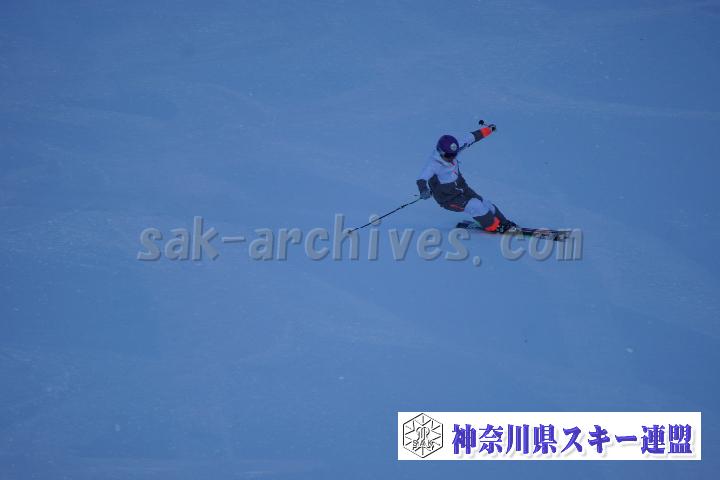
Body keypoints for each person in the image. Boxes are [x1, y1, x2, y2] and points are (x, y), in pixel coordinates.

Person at [416, 123, 517, 233]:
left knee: (486, 204)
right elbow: (421, 180)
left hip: (462, 188)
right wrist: (424, 190)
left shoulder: (453, 150)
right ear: (441, 152)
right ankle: (493, 226)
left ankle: (504, 223)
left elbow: (472, 137)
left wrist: (489, 129)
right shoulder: (433, 164)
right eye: (448, 156)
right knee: (475, 205)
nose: (452, 158)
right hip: (448, 198)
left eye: (454, 154)